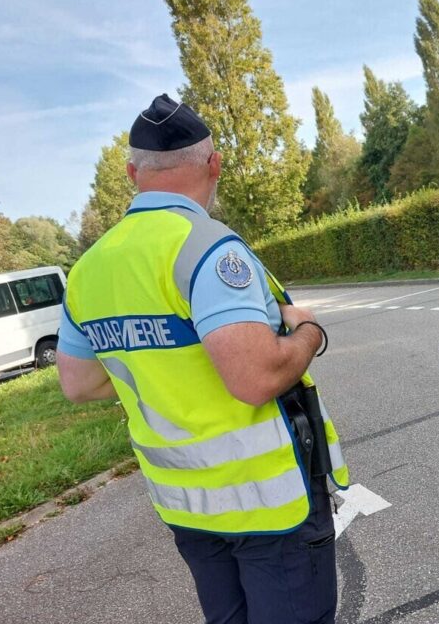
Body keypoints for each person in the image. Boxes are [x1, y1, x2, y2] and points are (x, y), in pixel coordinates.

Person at [56, 94, 349, 624]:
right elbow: (256, 378)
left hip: (186, 506)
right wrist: (308, 331)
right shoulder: (209, 249)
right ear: (213, 164)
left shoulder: (88, 270)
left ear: (131, 172)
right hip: (268, 503)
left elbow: (78, 383)